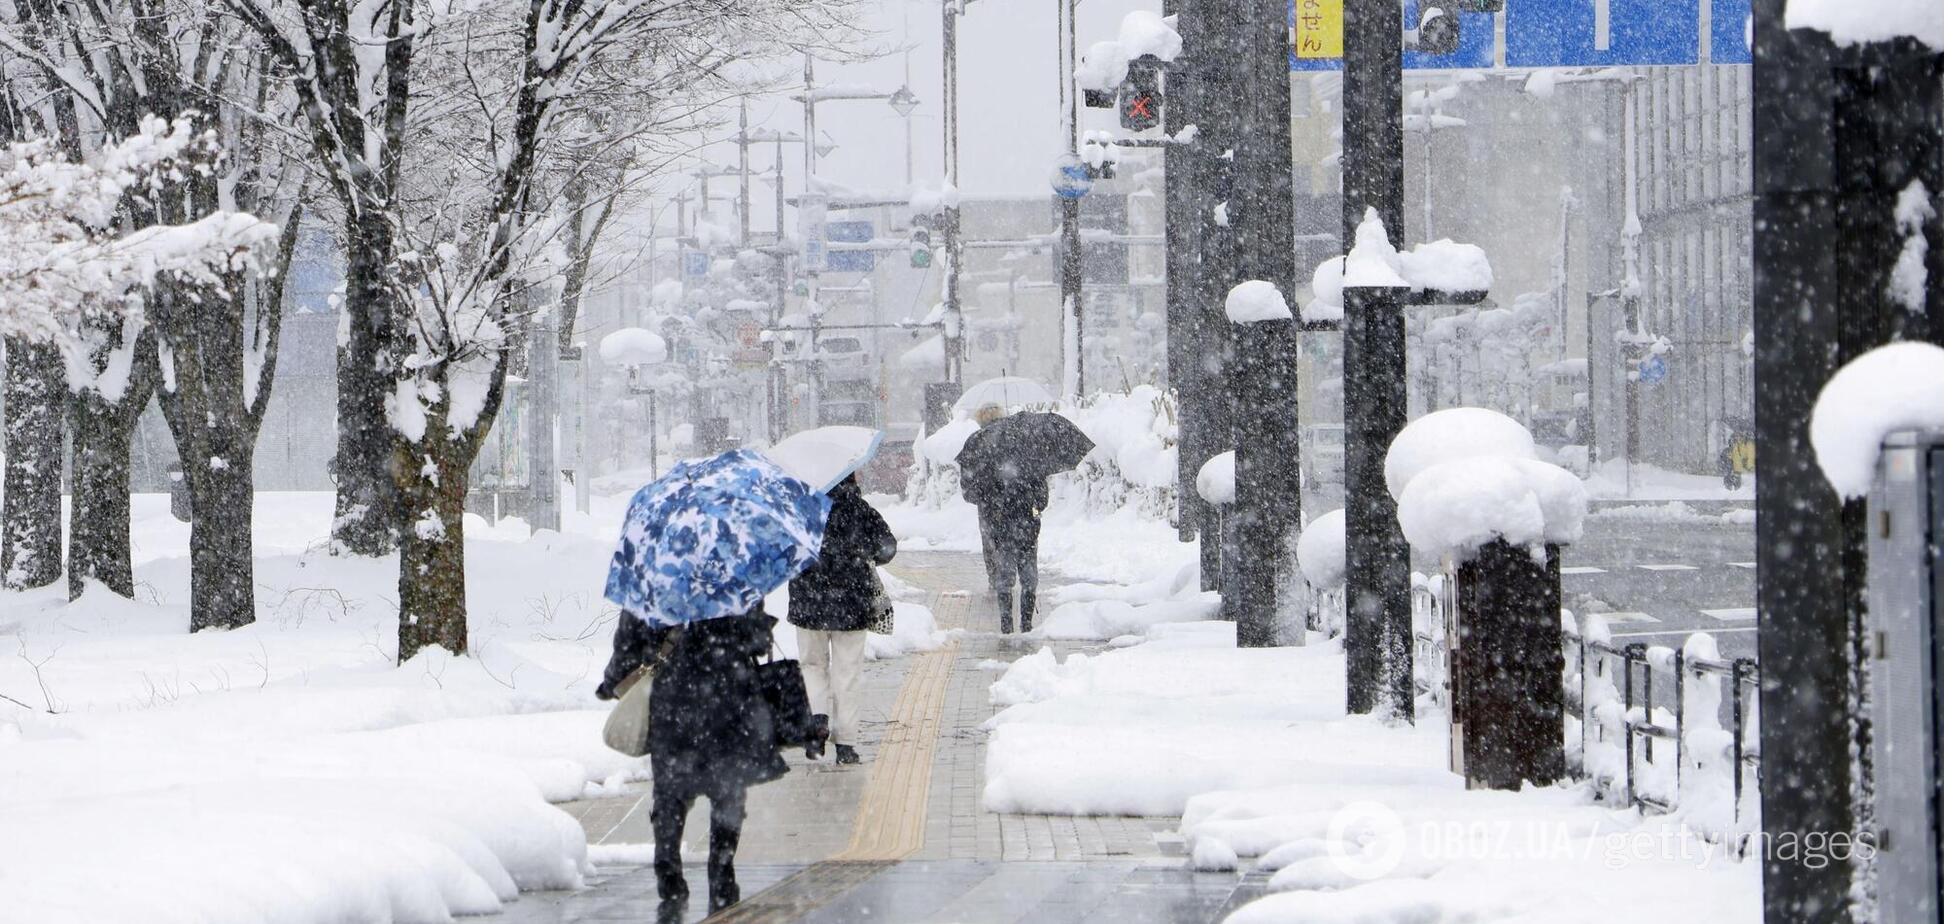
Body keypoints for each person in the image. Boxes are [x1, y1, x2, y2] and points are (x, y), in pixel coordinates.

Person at [597, 603, 787, 914]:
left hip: (671, 699)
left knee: (670, 791)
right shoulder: (732, 571)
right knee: (728, 790)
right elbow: (755, 638)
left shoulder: (656, 571)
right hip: (726, 696)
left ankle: (668, 867)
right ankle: (722, 869)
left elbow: (629, 637)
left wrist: (613, 679)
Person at [787, 473, 897, 765]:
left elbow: (784, 552)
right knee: (847, 673)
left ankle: (818, 721)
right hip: (852, 603)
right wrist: (861, 554)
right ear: (852, 478)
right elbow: (888, 548)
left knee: (812, 665)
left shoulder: (802, 510)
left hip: (808, 603)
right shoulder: (861, 510)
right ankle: (846, 745)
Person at [963, 404, 1046, 634]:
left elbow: (969, 492)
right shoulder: (1025, 443)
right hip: (1027, 521)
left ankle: (1006, 623)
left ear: (981, 423)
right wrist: (1035, 510)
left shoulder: (977, 446)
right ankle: (1027, 622)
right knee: (1029, 572)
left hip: (996, 522)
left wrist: (991, 500)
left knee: (1004, 573)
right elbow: (1041, 492)